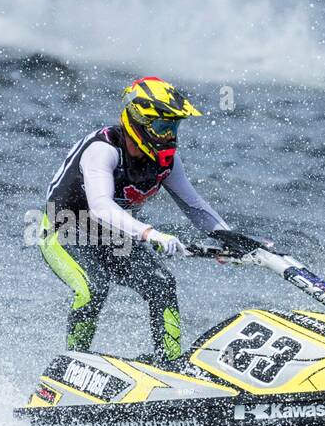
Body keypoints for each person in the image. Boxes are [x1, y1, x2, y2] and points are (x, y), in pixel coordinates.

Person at [38, 76, 229, 367]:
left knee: (161, 284)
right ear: (138, 122)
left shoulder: (167, 162)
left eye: (174, 127)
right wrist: (151, 234)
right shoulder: (103, 149)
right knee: (93, 286)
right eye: (163, 127)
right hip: (63, 233)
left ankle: (171, 368)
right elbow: (101, 207)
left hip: (114, 239)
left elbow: (195, 207)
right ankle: (72, 366)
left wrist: (231, 239)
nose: (170, 136)